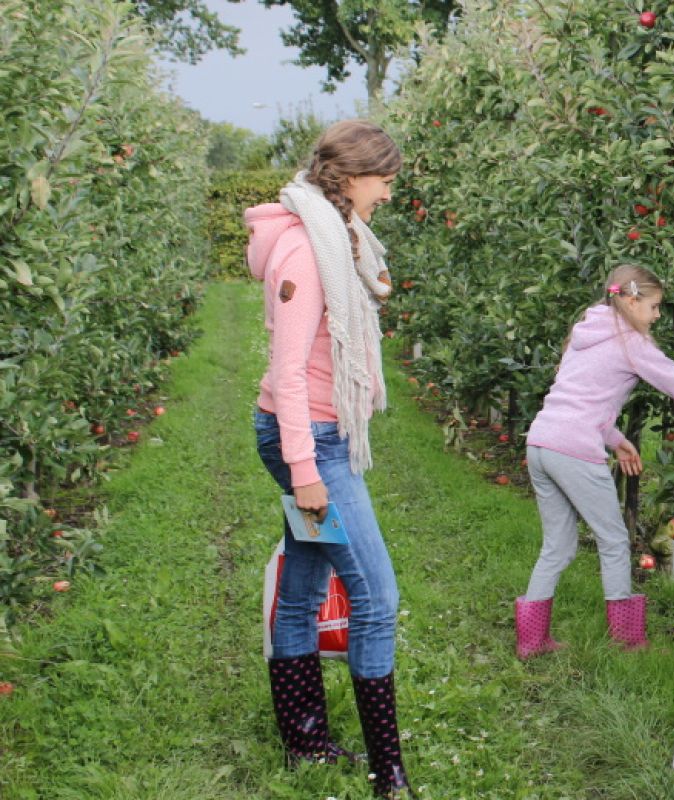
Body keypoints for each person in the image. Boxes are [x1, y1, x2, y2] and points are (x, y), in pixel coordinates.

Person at [246, 119, 413, 798]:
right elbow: (287, 374)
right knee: (376, 597)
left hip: (319, 433)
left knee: (305, 587)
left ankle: (307, 743)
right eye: (384, 181)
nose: (389, 194)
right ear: (348, 179)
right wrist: (307, 473)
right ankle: (386, 770)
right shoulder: (304, 254)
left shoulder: (333, 236)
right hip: (307, 440)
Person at [515, 264, 674, 657]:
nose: (657, 315)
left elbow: (580, 399)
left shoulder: (585, 331)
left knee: (557, 546)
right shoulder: (631, 344)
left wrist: (617, 440)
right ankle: (626, 639)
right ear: (632, 300)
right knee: (615, 540)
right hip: (573, 449)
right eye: (654, 306)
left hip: (541, 443)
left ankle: (531, 642)